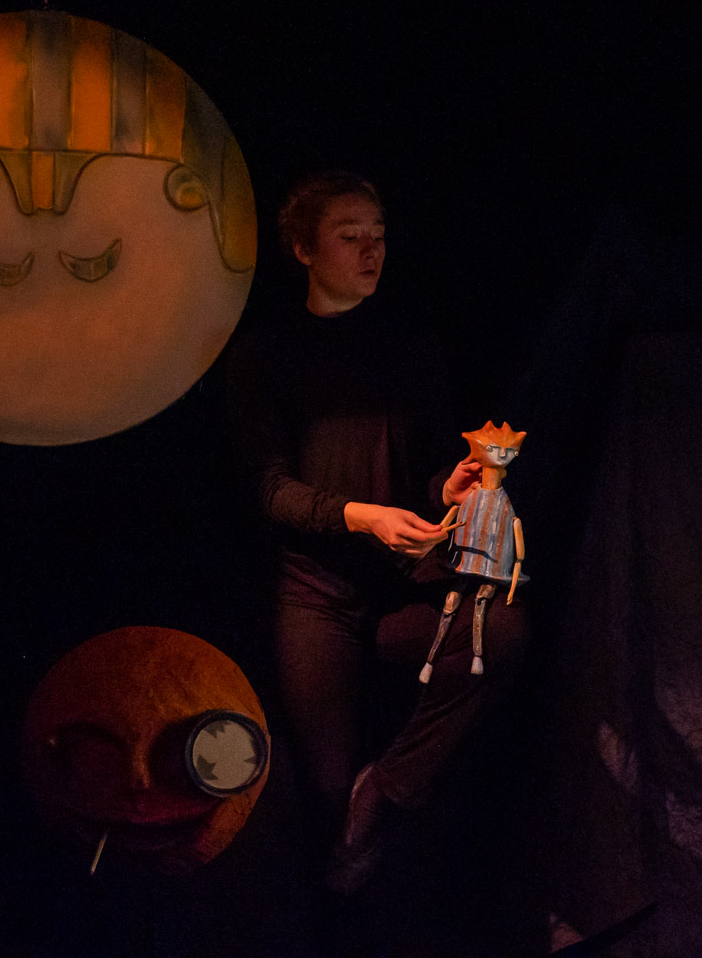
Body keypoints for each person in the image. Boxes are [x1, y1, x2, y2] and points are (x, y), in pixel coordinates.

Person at [223, 171, 529, 896]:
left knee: (503, 635)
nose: (371, 251)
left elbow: (428, 467)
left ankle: (384, 789)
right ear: (303, 249)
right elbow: (268, 490)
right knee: (324, 797)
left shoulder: (411, 349)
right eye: (350, 236)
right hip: (316, 595)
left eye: (379, 236)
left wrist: (449, 489)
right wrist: (362, 516)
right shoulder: (264, 355)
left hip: (401, 583)